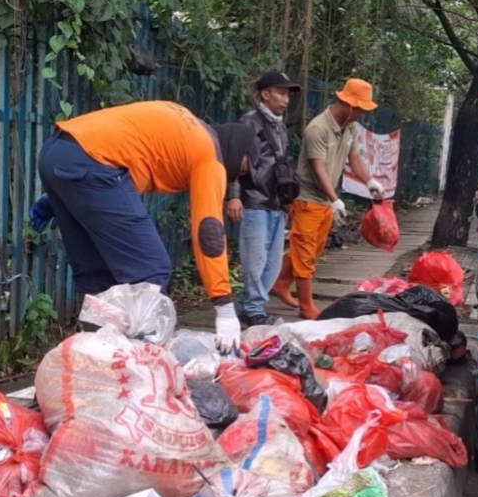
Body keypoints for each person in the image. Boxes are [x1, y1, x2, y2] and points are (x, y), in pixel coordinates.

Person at [32, 100, 258, 353]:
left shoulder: (185, 126)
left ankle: (94, 358)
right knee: (150, 268)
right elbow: (209, 232)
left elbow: (122, 154)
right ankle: (142, 363)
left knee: (97, 274)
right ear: (239, 151)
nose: (238, 176)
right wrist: (224, 305)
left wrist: (61, 195)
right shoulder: (209, 156)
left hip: (57, 153)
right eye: (245, 168)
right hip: (92, 164)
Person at [271, 78, 383, 319]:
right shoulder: (318, 128)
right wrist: (335, 199)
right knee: (305, 251)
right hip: (308, 197)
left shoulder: (350, 128)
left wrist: (370, 181)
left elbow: (354, 159)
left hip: (325, 200)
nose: (363, 113)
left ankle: (280, 283)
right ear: (349, 104)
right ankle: (306, 306)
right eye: (361, 108)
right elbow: (317, 167)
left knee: (313, 249)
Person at [226, 71, 302, 327]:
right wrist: (234, 197)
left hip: (275, 202)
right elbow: (235, 160)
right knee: (255, 261)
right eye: (281, 93)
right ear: (265, 94)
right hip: (254, 200)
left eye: (287, 94)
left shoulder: (279, 125)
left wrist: (287, 199)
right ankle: (254, 309)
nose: (286, 100)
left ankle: (244, 306)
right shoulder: (250, 122)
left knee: (271, 264)